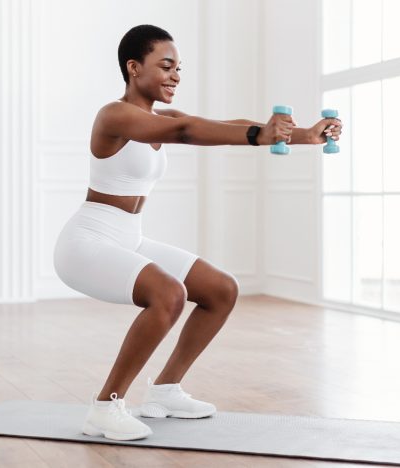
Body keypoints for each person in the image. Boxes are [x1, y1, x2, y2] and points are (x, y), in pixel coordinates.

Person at [54, 24, 342, 441]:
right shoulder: (114, 116)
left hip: (127, 237)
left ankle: (165, 391)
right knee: (168, 294)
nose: (175, 76)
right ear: (134, 68)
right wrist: (258, 134)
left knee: (220, 289)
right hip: (86, 243)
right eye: (165, 66)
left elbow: (212, 125)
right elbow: (185, 132)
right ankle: (104, 407)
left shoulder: (160, 117)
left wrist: (302, 136)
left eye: (179, 68)